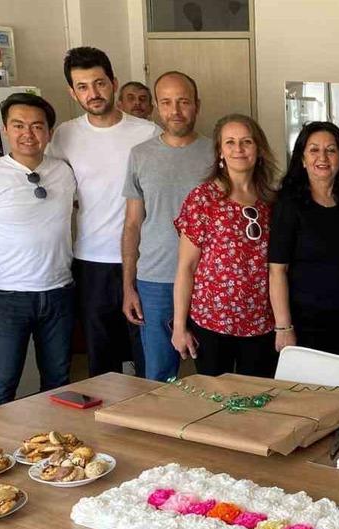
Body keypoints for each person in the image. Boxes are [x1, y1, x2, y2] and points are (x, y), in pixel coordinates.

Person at [0, 47, 159, 379]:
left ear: (113, 83)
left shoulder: (148, 133)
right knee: (101, 361)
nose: (93, 93)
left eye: (99, 83)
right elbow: (32, 165)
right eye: (82, 86)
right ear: (72, 92)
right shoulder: (65, 135)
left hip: (146, 259)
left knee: (148, 354)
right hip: (90, 261)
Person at [0, 93, 75, 404]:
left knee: (58, 381)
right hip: (7, 297)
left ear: (49, 132)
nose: (28, 134)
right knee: (1, 384)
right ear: (5, 130)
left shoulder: (64, 171)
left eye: (37, 126)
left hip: (59, 292)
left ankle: (52, 435)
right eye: (18, 125)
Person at [121, 71, 213, 383]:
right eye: (166, 102)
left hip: (210, 279)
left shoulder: (218, 153)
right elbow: (132, 223)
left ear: (197, 105)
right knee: (158, 376)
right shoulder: (140, 155)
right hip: (156, 278)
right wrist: (128, 286)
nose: (175, 111)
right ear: (157, 107)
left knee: (215, 374)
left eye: (183, 101)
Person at [171, 114, 278, 376]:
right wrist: (179, 326)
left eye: (246, 141)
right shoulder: (203, 199)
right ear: (220, 151)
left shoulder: (272, 201)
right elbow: (186, 268)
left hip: (262, 323)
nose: (238, 149)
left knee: (258, 397)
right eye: (230, 142)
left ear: (259, 149)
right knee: (215, 397)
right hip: (212, 322)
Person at [269, 121, 339, 358]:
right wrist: (284, 327)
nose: (323, 157)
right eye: (314, 150)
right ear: (302, 159)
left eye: (331, 150)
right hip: (303, 322)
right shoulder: (288, 204)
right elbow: (277, 271)